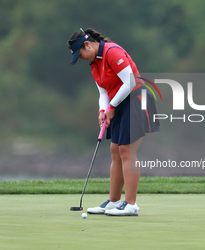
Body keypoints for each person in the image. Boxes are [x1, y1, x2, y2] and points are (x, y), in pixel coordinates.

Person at [67, 28, 160, 216]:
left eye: (81, 54)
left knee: (127, 149)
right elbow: (103, 92)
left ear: (88, 45)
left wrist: (111, 106)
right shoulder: (94, 64)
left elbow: (130, 82)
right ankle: (114, 201)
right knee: (115, 150)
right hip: (118, 103)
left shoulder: (111, 52)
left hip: (136, 99)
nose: (82, 58)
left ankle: (131, 204)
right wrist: (103, 110)